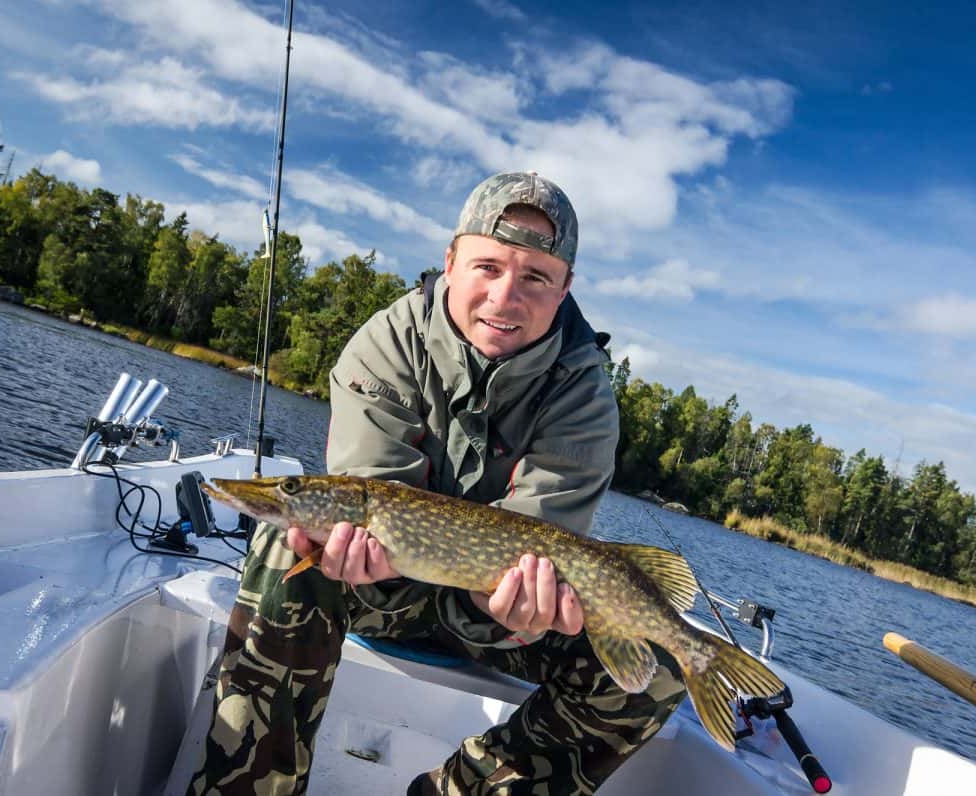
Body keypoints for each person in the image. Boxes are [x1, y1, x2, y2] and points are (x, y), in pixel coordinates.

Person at [190, 172, 688, 795]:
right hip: (379, 584)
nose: (506, 298)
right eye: (488, 266)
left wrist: (510, 612)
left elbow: (539, 550)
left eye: (536, 277)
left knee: (662, 668)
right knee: (286, 550)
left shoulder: (583, 394)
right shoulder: (386, 344)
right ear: (450, 261)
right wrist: (332, 538)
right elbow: (370, 496)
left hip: (503, 612)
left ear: (564, 290)